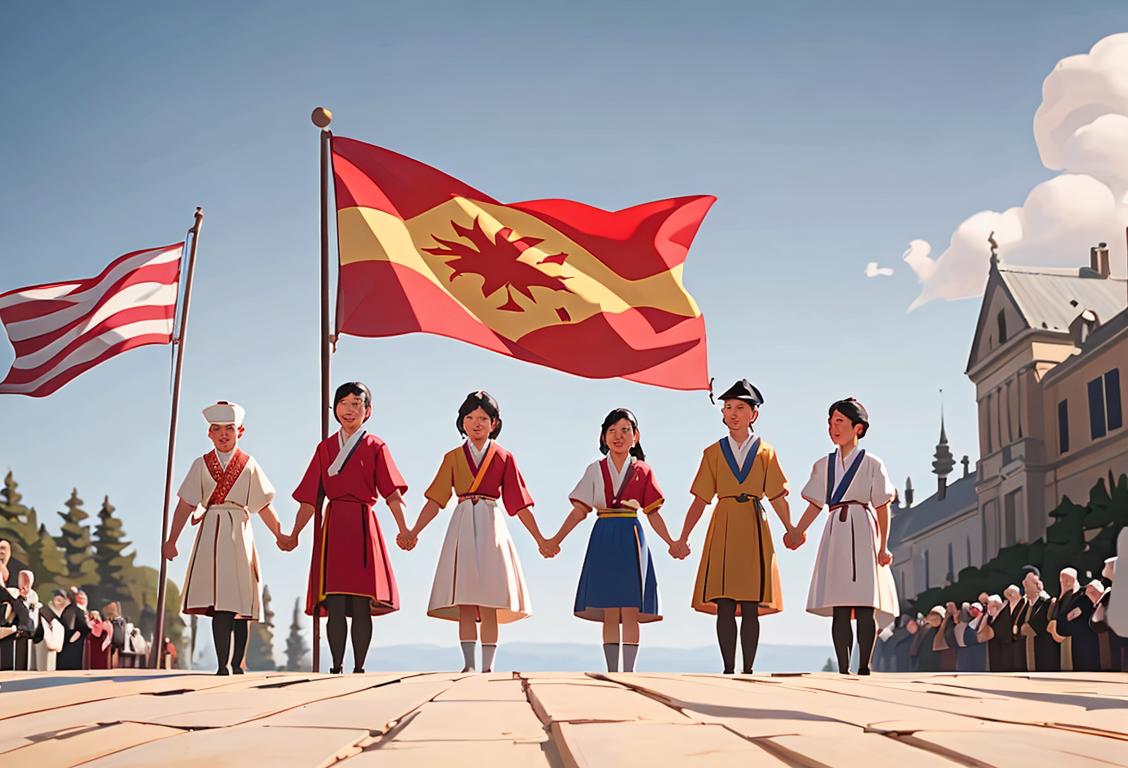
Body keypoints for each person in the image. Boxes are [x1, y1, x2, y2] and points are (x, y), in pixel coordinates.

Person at [403, 390, 550, 674]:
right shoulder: (452, 458)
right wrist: (414, 531)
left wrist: (540, 539)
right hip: (462, 523)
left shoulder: (504, 457)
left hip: (491, 522)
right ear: (462, 422)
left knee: (491, 598)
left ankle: (488, 666)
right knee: (466, 598)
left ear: (494, 423)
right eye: (470, 418)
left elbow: (518, 503)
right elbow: (436, 500)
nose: (476, 423)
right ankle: (469, 664)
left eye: (483, 418)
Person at [671, 380, 794, 675]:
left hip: (754, 523)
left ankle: (748, 667)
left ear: (754, 414)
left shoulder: (766, 452)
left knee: (751, 602)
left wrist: (791, 527)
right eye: (728, 408)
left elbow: (777, 495)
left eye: (740, 407)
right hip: (723, 523)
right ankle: (729, 667)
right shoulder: (712, 453)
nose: (733, 413)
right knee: (724, 602)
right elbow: (700, 499)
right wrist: (683, 537)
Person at [289, 382, 411, 674]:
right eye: (343, 403)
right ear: (334, 409)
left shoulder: (376, 446)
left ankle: (359, 666)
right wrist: (293, 534)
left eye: (357, 403)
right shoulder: (325, 448)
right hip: (334, 526)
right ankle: (336, 665)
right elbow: (310, 499)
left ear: (367, 411)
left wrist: (405, 529)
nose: (349, 409)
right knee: (335, 599)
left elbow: (392, 493)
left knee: (359, 602)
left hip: (362, 522)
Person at [164, 401, 286, 675]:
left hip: (241, 532)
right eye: (217, 429)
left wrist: (280, 534)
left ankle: (236, 663)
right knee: (219, 603)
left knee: (241, 602)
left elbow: (263, 504)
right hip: (212, 533)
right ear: (209, 433)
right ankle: (222, 665)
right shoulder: (201, 464)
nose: (223, 434)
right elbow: (185, 504)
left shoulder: (249, 464)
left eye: (229, 428)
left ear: (240, 431)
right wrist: (172, 540)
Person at [548, 408, 675, 673]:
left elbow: (653, 513)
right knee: (609, 607)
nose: (618, 437)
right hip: (604, 535)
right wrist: (555, 539)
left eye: (625, 431)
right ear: (604, 437)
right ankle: (612, 669)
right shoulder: (594, 469)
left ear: (635, 436)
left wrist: (672, 542)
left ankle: (629, 670)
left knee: (629, 606)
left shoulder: (643, 471)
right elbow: (580, 510)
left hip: (631, 535)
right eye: (612, 431)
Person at [791, 397, 898, 676]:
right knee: (840, 605)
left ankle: (864, 664)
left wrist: (884, 546)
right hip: (836, 531)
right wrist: (798, 530)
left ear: (858, 428)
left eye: (839, 421)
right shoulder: (824, 465)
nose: (833, 428)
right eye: (830, 422)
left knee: (865, 603)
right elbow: (815, 503)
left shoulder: (873, 464)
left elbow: (883, 506)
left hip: (863, 528)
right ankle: (843, 666)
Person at [1014, 572, 1056, 671]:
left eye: (1027, 584)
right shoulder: (1025, 605)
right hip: (1026, 648)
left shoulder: (1047, 603)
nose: (1025, 588)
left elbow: (1040, 624)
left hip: (1042, 649)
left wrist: (1027, 628)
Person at [1058, 578, 1103, 672]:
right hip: (1082, 643)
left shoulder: (1092, 603)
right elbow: (1068, 618)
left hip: (1091, 643)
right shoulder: (1082, 601)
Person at [1048, 567, 1082, 670]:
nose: (1065, 582)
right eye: (1062, 579)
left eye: (1068, 579)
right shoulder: (1061, 598)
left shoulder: (1077, 596)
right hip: (1059, 635)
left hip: (1072, 636)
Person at [56, 587, 89, 671]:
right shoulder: (74, 609)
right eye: (80, 596)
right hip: (72, 647)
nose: (83, 598)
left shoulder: (78, 610)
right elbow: (74, 626)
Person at [986, 590, 1016, 672]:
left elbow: (1004, 632)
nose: (987, 606)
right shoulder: (991, 616)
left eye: (989, 603)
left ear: (995, 603)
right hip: (995, 651)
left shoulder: (1005, 614)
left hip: (1004, 650)